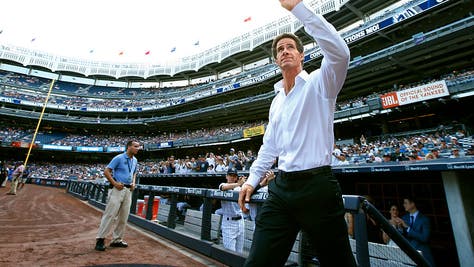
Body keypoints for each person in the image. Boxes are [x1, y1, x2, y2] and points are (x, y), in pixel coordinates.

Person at [238, 0, 355, 266]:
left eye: (291, 47)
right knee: (258, 261)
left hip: (318, 188)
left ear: (302, 55)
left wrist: (297, 8)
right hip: (281, 189)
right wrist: (250, 181)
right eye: (280, 49)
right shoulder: (276, 100)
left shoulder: (320, 83)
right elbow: (269, 147)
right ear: (276, 60)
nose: (285, 51)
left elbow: (340, 54)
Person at [95, 140, 139, 251]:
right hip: (117, 189)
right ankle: (100, 239)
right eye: (135, 146)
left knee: (123, 217)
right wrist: (114, 183)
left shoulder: (135, 160)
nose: (138, 148)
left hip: (128, 190)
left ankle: (117, 240)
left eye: (138, 147)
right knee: (110, 215)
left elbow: (134, 172)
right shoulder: (119, 158)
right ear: (129, 147)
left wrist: (134, 182)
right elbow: (106, 171)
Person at [398, 196, 436, 267]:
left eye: (406, 203)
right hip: (409, 256)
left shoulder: (424, 219)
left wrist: (408, 228)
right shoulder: (404, 218)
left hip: (423, 255)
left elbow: (425, 238)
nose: (404, 205)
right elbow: (401, 238)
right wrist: (400, 228)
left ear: (412, 204)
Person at [219, 168, 246, 253]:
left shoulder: (239, 188)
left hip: (240, 222)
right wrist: (238, 183)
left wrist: (243, 183)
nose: (232, 177)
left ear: (236, 177)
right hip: (228, 223)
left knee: (239, 253)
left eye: (234, 176)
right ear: (226, 176)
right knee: (230, 254)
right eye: (230, 175)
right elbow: (223, 188)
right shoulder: (223, 184)